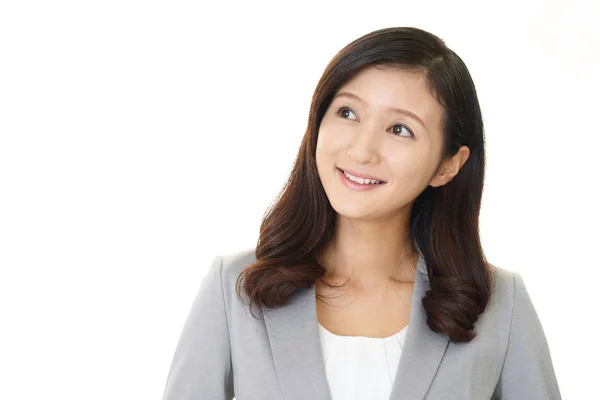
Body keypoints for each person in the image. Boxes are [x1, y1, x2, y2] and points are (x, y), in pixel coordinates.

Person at [161, 26, 561, 400]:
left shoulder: (499, 303)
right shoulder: (234, 288)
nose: (361, 151)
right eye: (348, 113)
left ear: (447, 165)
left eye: (400, 129)